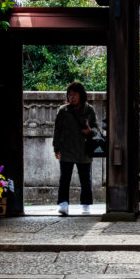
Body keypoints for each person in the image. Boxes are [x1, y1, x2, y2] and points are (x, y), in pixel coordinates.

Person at [52, 81, 99, 216]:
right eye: (69, 95)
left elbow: (96, 128)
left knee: (85, 179)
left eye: (74, 94)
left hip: (84, 149)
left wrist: (90, 131)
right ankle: (63, 204)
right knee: (64, 178)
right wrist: (56, 147)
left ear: (81, 95)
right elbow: (57, 130)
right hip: (66, 149)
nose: (71, 97)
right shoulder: (63, 111)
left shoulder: (89, 109)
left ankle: (85, 205)